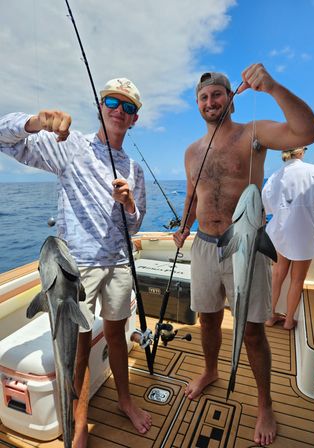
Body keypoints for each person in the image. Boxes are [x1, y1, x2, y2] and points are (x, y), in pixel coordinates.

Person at [173, 63, 314, 446]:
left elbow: (309, 131)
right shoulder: (191, 151)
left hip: (247, 243)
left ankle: (264, 403)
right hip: (204, 245)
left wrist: (272, 86)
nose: (210, 101)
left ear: (232, 99)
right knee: (206, 320)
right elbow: (193, 195)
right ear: (198, 105)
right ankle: (210, 371)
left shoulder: (252, 134)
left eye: (217, 93)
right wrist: (184, 226)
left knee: (253, 331)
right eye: (203, 97)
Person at [0, 77, 151, 447]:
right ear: (100, 106)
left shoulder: (134, 170)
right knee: (78, 347)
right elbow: (4, 138)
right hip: (75, 268)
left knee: (117, 335)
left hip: (118, 264)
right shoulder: (71, 147)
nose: (119, 111)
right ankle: (79, 424)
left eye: (128, 107)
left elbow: (136, 223)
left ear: (134, 120)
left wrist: (129, 204)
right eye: (112, 103)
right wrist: (36, 122)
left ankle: (125, 401)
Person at [262, 146, 314, 330]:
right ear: (300, 151)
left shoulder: (275, 176)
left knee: (277, 275)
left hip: (280, 232)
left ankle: (269, 316)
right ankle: (289, 320)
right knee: (297, 279)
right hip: (304, 232)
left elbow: (266, 206)